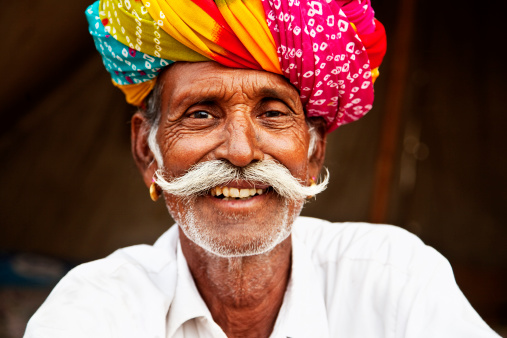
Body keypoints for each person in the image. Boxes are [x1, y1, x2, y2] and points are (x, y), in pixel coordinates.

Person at [25, 0, 499, 337]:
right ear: (147, 152)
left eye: (272, 113)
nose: (240, 151)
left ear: (314, 153)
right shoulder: (95, 310)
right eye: (201, 113)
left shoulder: (393, 279)